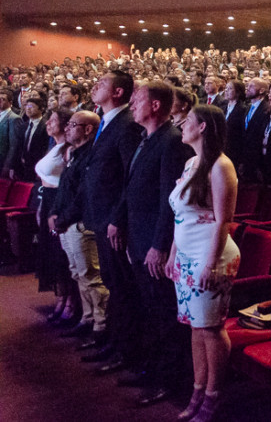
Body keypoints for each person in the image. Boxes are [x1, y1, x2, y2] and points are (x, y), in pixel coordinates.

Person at [111, 81, 193, 405]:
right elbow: (133, 188)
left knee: (163, 312)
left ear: (156, 105)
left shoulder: (172, 142)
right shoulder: (148, 139)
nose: (131, 105)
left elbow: (167, 201)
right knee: (149, 309)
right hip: (139, 238)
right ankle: (153, 368)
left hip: (153, 244)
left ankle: (169, 381)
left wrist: (160, 245)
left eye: (137, 100)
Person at [166, 105, 242, 422]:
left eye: (188, 122)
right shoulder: (192, 162)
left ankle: (213, 396)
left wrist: (208, 265)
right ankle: (198, 389)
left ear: (204, 127)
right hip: (186, 256)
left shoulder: (221, 166)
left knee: (210, 328)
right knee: (196, 329)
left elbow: (224, 221)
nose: (182, 126)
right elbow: (181, 216)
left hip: (211, 257)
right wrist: (172, 254)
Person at [85, 71, 145, 374]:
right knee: (111, 284)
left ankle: (127, 351)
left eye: (103, 83)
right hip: (101, 217)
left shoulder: (127, 126)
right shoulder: (106, 120)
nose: (95, 85)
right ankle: (115, 343)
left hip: (114, 222)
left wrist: (117, 219)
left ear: (119, 92)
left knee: (122, 289)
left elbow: (129, 178)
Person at [49, 111, 110, 342]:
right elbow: (65, 189)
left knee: (91, 276)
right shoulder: (74, 154)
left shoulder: (90, 156)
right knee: (78, 274)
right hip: (67, 222)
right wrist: (56, 213)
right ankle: (87, 318)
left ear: (88, 129)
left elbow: (83, 195)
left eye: (73, 125)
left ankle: (101, 325)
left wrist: (63, 218)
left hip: (80, 223)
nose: (67, 128)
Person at [35, 108, 79, 326]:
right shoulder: (54, 146)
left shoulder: (68, 150)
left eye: (52, 120)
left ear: (64, 124)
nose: (48, 124)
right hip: (48, 200)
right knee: (51, 254)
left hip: (59, 202)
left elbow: (70, 182)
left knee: (62, 255)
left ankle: (71, 302)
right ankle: (60, 298)